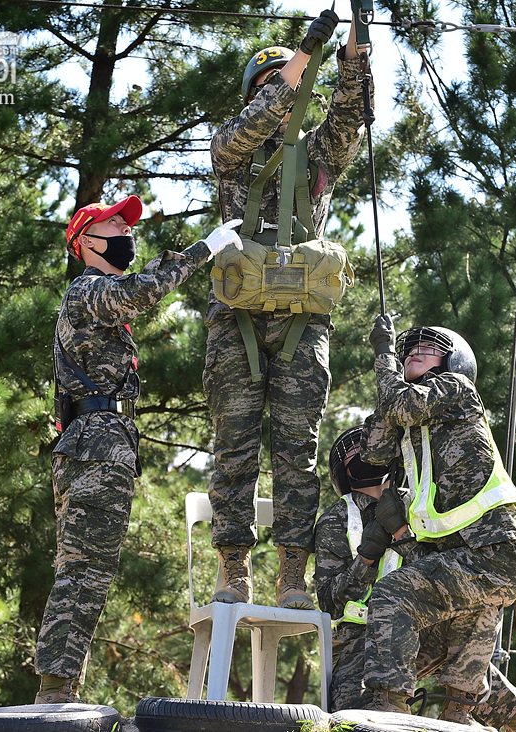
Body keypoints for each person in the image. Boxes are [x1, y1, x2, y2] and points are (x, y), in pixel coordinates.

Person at [34, 197, 242, 704]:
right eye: (114, 225)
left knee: (88, 569)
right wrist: (203, 249)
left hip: (100, 445)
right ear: (85, 241)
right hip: (96, 445)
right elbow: (141, 290)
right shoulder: (87, 290)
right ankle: (56, 687)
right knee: (84, 569)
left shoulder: (97, 299)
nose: (127, 232)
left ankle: (61, 685)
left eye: (127, 225)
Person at [204, 6, 372, 610]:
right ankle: (233, 567)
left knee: (297, 450)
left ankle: (293, 574)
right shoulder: (232, 148)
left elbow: (351, 115)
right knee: (235, 447)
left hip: (302, 321)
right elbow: (253, 123)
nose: (287, 99)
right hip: (238, 321)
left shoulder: (318, 155)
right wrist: (302, 54)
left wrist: (355, 50)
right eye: (274, 88)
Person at [354, 319, 516, 731]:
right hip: (469, 556)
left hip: (496, 549)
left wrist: (385, 356)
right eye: (407, 349)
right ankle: (496, 718)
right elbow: (373, 450)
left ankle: (387, 713)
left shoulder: (456, 389)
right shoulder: (411, 421)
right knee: (432, 639)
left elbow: (403, 405)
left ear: (452, 361)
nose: (413, 353)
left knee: (394, 595)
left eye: (428, 348)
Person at [315, 426, 516, 731]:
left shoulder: (417, 504)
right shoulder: (336, 519)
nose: (363, 452)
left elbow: (442, 577)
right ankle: (393, 713)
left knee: (479, 598)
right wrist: (367, 558)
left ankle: (482, 715)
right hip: (358, 644)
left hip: (421, 629)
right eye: (353, 452)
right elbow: (329, 603)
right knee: (354, 719)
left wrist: (402, 533)